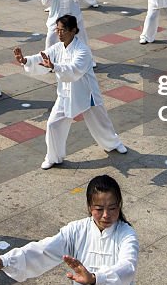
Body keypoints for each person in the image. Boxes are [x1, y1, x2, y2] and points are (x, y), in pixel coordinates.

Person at [0, 174, 144, 285]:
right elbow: (45, 249)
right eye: (99, 209)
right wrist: (6, 260)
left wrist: (96, 278)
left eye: (112, 208)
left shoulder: (126, 234)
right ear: (89, 207)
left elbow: (127, 266)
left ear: (120, 205)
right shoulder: (77, 230)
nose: (106, 215)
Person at [14, 14, 127, 170]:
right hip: (65, 94)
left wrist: (55, 67)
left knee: (101, 124)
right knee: (53, 124)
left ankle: (114, 144)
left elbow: (74, 70)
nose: (59, 34)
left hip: (87, 94)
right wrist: (26, 60)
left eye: (63, 30)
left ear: (73, 30)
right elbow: (42, 57)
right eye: (58, 30)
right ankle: (53, 157)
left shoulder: (83, 50)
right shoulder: (57, 47)